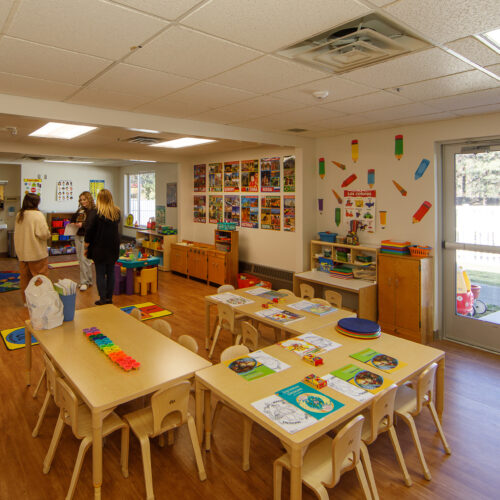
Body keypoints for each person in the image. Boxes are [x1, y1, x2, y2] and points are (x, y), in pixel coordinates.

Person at [84, 189, 120, 305]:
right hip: (113, 247)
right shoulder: (116, 212)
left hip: (99, 247)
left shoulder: (96, 213)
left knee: (100, 273)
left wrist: (86, 244)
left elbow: (89, 230)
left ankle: (102, 298)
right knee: (111, 273)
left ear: (99, 199)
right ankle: (109, 298)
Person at [14, 193, 51, 303]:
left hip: (22, 253)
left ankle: (27, 301)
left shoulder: (19, 214)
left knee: (25, 278)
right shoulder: (37, 215)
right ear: (36, 203)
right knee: (40, 278)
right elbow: (44, 234)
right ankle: (40, 301)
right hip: (36, 253)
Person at [71, 191, 96, 291]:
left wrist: (83, 225)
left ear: (89, 199)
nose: (82, 202)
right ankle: (88, 280)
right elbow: (72, 219)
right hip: (78, 236)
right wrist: (73, 223)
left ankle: (84, 281)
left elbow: (92, 224)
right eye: (81, 200)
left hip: (87, 237)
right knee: (80, 259)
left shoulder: (94, 210)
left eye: (84, 199)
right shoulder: (80, 210)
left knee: (85, 259)